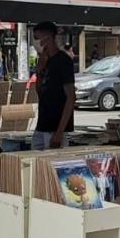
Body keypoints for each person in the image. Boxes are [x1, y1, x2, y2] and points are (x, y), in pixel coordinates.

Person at [32, 21, 75, 150]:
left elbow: (71, 98)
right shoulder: (44, 60)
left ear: (48, 37)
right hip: (43, 124)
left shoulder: (63, 61)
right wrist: (39, 70)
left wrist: (59, 132)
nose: (35, 43)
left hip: (56, 125)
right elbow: (40, 91)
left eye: (37, 38)